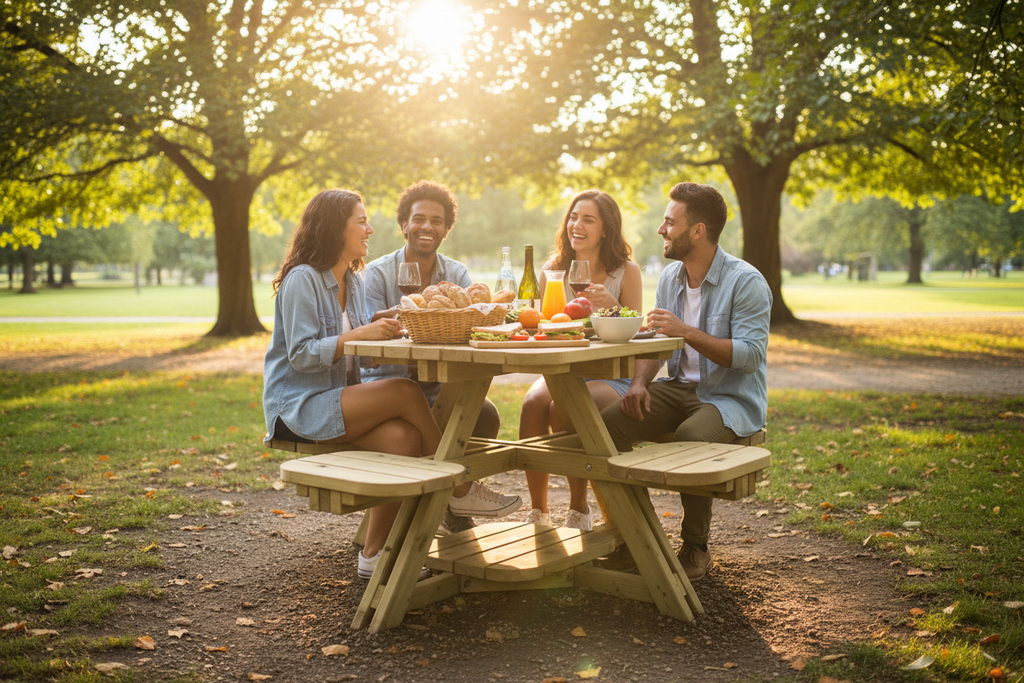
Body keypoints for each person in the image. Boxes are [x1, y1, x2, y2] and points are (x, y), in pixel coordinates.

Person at [262, 189, 515, 583]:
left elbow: (363, 356)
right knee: (404, 391)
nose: (370, 229)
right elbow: (301, 355)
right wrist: (359, 335)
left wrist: (384, 332)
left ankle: (373, 554)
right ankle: (460, 490)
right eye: (361, 222)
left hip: (339, 400)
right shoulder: (303, 280)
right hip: (299, 406)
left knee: (404, 439)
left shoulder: (352, 280)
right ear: (335, 227)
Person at [599, 182, 771, 580]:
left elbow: (750, 357)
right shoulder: (671, 277)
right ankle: (637, 538)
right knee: (606, 425)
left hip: (729, 397)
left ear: (697, 231)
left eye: (670, 222)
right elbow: (658, 341)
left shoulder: (745, 282)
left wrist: (687, 331)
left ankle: (696, 547)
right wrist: (640, 383)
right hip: (677, 388)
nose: (661, 229)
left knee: (691, 435)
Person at [362, 181, 520, 529]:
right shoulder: (376, 273)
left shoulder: (456, 273)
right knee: (426, 424)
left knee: (484, 415)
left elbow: (470, 325)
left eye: (437, 221)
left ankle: (448, 505)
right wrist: (407, 316)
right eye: (419, 218)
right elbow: (368, 335)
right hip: (388, 382)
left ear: (446, 229)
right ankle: (452, 496)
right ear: (404, 224)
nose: (427, 227)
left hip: (438, 383)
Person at [518, 189, 643, 530]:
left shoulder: (625, 271)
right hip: (564, 369)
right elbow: (541, 324)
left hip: (610, 373)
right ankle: (539, 511)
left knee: (564, 407)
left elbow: (638, 330)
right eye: (573, 217)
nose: (577, 225)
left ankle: (578, 508)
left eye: (588, 220)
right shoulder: (553, 271)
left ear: (605, 230)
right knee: (532, 404)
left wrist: (613, 307)